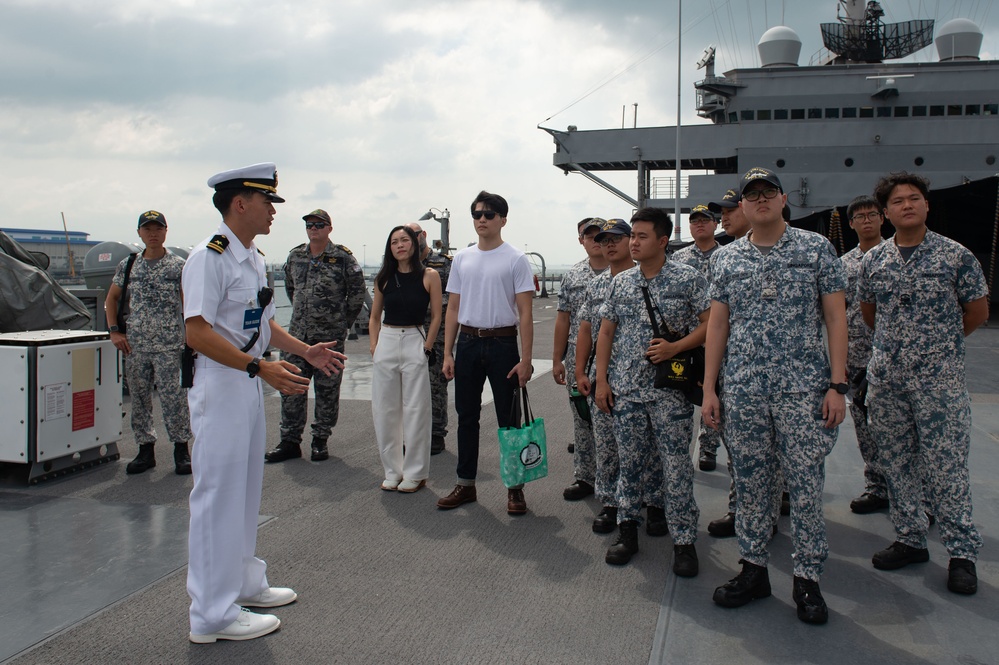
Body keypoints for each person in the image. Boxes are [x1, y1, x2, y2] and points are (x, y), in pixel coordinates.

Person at [183, 163, 346, 643]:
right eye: (266, 202)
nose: (273, 211)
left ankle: (244, 584)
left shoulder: (251, 256)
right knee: (216, 498)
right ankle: (210, 615)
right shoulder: (208, 258)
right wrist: (259, 368)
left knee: (246, 490)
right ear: (240, 204)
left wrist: (302, 351)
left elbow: (263, 324)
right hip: (221, 383)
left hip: (247, 382)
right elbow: (196, 332)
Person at [702, 167, 848, 625]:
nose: (760, 200)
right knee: (749, 481)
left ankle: (807, 578)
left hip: (803, 389)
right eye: (752, 195)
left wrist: (837, 384)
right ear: (742, 206)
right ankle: (754, 569)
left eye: (768, 193)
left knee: (804, 485)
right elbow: (718, 326)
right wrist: (709, 388)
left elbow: (836, 318)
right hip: (744, 389)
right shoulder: (725, 260)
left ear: (784, 199)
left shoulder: (816, 249)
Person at [859, 172, 989, 595]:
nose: (907, 206)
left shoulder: (956, 256)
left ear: (927, 206)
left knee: (946, 467)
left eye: (914, 199)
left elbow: (977, 312)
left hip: (939, 384)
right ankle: (911, 538)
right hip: (888, 383)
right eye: (898, 202)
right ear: (886, 213)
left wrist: (937, 348)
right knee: (896, 462)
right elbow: (869, 313)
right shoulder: (874, 261)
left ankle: (961, 553)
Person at [594, 208, 707, 576]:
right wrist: (602, 381)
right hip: (627, 390)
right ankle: (628, 532)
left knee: (675, 467)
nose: (634, 242)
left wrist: (676, 347)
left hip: (669, 392)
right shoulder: (621, 282)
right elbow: (606, 332)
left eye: (642, 237)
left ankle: (684, 541)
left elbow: (712, 325)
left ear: (662, 241)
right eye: (633, 236)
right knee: (630, 465)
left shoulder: (689, 278)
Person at [437, 191, 535, 515]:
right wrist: (448, 353)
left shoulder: (516, 259)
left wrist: (526, 360)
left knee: (509, 420)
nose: (482, 218)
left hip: (503, 344)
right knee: (467, 417)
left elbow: (525, 312)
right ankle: (465, 484)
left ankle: (515, 489)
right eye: (477, 213)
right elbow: (453, 308)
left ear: (503, 220)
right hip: (467, 342)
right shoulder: (462, 258)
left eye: (489, 214)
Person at [576, 219, 668, 536]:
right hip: (606, 378)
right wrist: (580, 371)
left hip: (646, 376)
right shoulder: (598, 285)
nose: (610, 244)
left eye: (617, 238)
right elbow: (587, 330)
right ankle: (612, 502)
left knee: (654, 446)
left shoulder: (649, 279)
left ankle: (655, 503)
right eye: (604, 240)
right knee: (607, 444)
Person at [265, 208, 365, 463]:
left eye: (319, 224)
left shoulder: (342, 258)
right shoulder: (296, 255)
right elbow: (290, 288)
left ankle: (320, 439)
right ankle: (289, 441)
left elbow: (356, 294)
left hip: (329, 338)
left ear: (329, 228)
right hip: (298, 336)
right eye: (309, 224)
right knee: (292, 386)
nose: (313, 228)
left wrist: (342, 324)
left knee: (327, 389)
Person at [105, 210, 192, 476]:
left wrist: (192, 338)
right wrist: (114, 331)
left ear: (166, 232)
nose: (153, 234)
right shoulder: (129, 265)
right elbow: (112, 300)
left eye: (158, 229)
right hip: (136, 345)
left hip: (169, 345)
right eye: (147, 229)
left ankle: (181, 450)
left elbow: (188, 304)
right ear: (140, 233)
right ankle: (145, 450)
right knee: (139, 399)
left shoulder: (178, 266)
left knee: (174, 399)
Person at [368, 225, 442, 492]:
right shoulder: (384, 278)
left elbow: (436, 315)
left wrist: (427, 346)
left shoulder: (430, 275)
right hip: (387, 341)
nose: (399, 245)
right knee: (385, 410)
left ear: (414, 243)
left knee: (416, 410)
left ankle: (415, 472)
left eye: (404, 240)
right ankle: (392, 470)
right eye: (394, 242)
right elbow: (375, 317)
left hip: (414, 340)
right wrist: (375, 347)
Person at [553, 217, 608, 501]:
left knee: (613, 419)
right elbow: (563, 319)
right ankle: (585, 476)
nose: (595, 240)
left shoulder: (625, 270)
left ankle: (616, 477)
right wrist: (556, 359)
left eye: (601, 236)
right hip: (578, 357)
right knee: (582, 418)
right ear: (581, 240)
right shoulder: (573, 275)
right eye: (590, 236)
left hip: (616, 357)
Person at [840, 195, 888, 514]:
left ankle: (920, 495)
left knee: (901, 429)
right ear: (852, 223)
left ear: (883, 218)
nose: (867, 220)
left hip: (895, 362)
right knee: (865, 427)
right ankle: (877, 487)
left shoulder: (895, 256)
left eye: (872, 214)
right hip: (857, 359)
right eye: (860, 216)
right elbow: (836, 313)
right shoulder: (843, 264)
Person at [670, 204, 722, 473]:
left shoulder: (727, 256)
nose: (700, 224)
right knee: (679, 393)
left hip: (716, 339)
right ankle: (678, 448)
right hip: (685, 339)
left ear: (716, 225)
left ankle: (708, 447)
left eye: (705, 220)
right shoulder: (678, 258)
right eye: (695, 221)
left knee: (711, 392)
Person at [407, 222, 452, 455]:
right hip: (409, 332)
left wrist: (430, 301)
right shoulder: (402, 264)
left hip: (438, 335)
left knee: (435, 384)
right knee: (409, 384)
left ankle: (436, 433)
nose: (410, 241)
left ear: (423, 235)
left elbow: (455, 298)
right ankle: (413, 433)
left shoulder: (444, 264)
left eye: (413, 235)